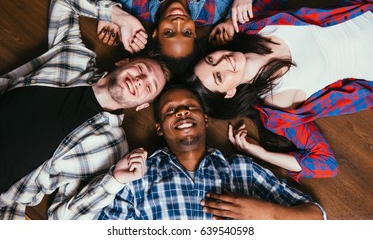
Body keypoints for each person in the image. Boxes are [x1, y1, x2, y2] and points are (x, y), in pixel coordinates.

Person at [0, 0, 171, 220]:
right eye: (142, 69)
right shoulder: (75, 55)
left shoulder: (111, 148)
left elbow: (62, 219)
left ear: (143, 104)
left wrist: (114, 181)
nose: (140, 80)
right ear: (123, 62)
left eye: (149, 87)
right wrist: (118, 17)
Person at [188, 0, 373, 181]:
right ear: (230, 93)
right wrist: (261, 153)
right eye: (219, 76)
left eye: (211, 60)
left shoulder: (250, 27)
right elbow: (325, 164)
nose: (223, 62)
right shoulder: (279, 107)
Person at [60, 85, 325, 220]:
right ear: (160, 128)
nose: (182, 112)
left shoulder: (242, 169)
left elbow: (318, 219)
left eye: (189, 106)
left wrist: (269, 214)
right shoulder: (137, 178)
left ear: (206, 119)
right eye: (170, 111)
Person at [74, 0, 291, 75]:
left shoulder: (132, 1)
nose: (178, 22)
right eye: (186, 32)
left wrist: (108, 14)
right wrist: (229, 19)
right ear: (195, 32)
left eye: (169, 32)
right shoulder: (214, 10)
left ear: (156, 32)